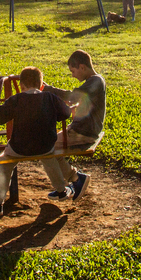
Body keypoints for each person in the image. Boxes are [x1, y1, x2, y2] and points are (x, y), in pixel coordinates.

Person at [0, 66, 74, 216]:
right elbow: (65, 113)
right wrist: (52, 115)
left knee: (5, 163)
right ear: (41, 85)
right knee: (49, 157)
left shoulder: (16, 99)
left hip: (19, 147)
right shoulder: (50, 98)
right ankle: (61, 190)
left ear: (22, 86)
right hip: (45, 145)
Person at [43, 49, 105, 202]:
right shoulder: (93, 82)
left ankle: (73, 181)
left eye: (73, 70)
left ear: (82, 67)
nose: (73, 75)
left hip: (83, 132)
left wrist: (48, 89)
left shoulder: (96, 81)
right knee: (47, 147)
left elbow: (73, 96)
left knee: (44, 148)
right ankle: (69, 183)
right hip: (79, 129)